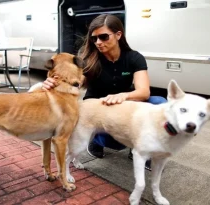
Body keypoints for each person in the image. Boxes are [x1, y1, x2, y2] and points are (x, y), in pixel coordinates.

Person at [42, 14, 167, 170]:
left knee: (160, 104)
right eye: (94, 39)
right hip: (96, 110)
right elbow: (72, 83)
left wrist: (124, 95)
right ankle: (96, 140)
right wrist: (51, 83)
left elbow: (143, 92)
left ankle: (142, 148)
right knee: (115, 143)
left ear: (118, 35)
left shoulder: (134, 58)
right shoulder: (88, 59)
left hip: (123, 105)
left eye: (103, 37)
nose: (98, 42)